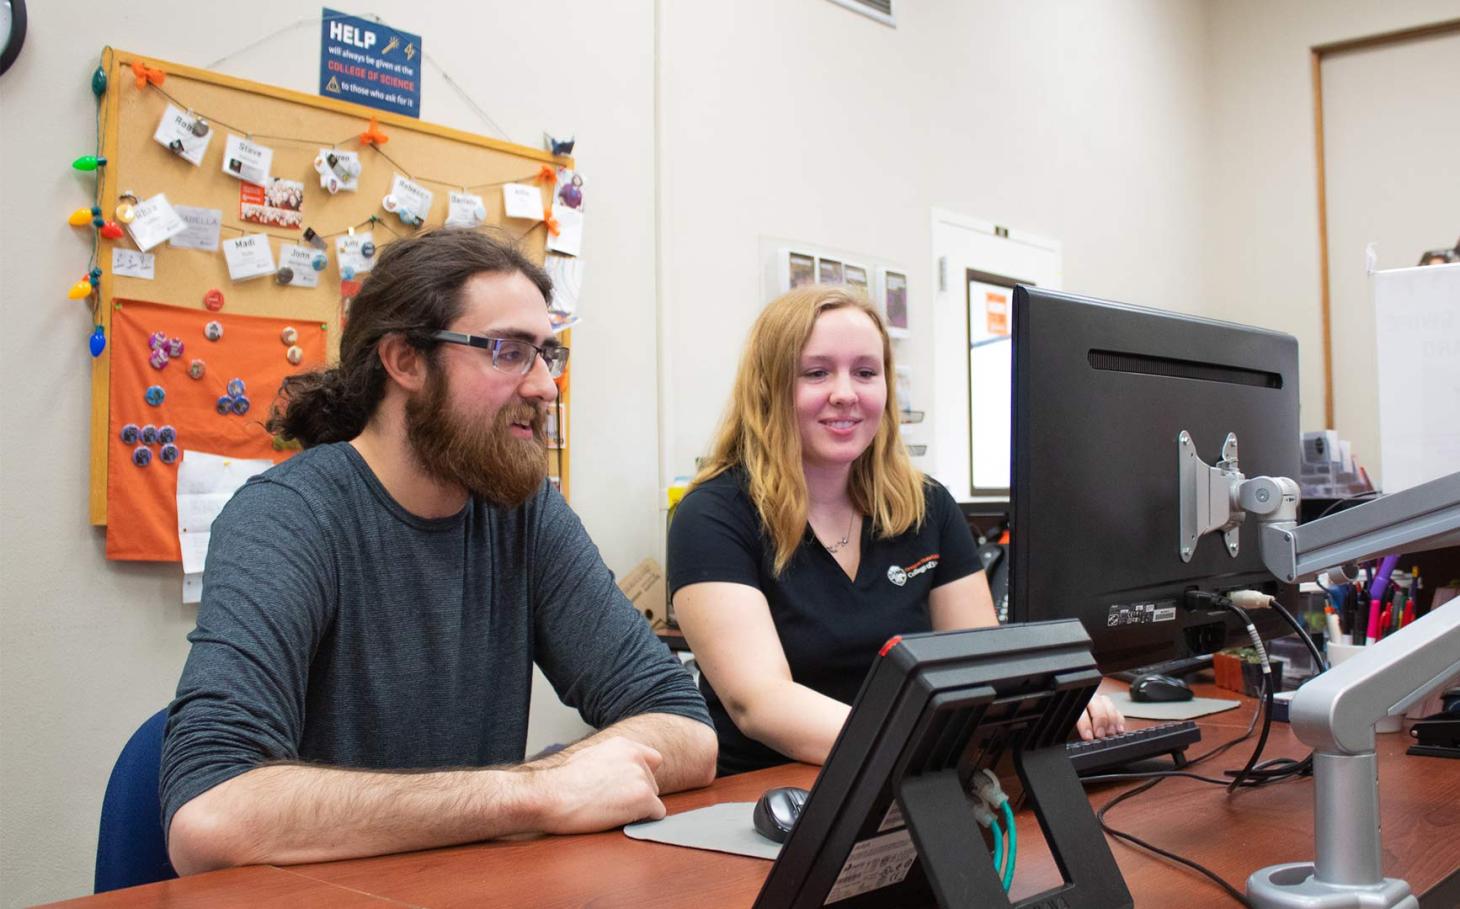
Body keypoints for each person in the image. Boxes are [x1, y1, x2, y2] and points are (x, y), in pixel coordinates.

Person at [161, 229, 715, 875]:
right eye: (510, 351)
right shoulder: (286, 516)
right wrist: (536, 792)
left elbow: (686, 726)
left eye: (547, 354)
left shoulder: (522, 511)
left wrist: (562, 777)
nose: (545, 387)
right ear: (405, 361)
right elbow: (209, 812)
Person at [667, 286, 1122, 775]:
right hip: (766, 794)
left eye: (866, 372)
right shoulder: (712, 516)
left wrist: (1053, 698)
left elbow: (983, 664)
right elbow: (760, 704)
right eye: (817, 373)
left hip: (912, 777)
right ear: (768, 389)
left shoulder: (927, 506)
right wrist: (919, 749)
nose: (846, 393)